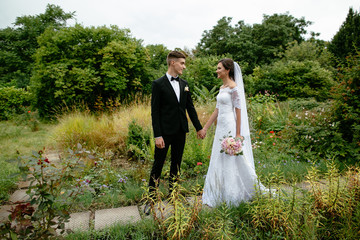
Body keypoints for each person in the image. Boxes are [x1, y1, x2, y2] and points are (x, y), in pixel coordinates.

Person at [146, 51, 206, 213]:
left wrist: (199, 127)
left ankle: (174, 196)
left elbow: (190, 108)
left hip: (181, 131)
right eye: (182, 63)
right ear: (172, 63)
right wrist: (157, 135)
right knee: (158, 165)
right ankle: (151, 199)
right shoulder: (158, 84)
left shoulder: (184, 84)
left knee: (176, 164)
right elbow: (155, 112)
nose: (184, 67)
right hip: (164, 133)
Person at [201, 58, 267, 207]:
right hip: (220, 128)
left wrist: (238, 134)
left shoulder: (234, 88)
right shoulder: (222, 88)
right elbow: (216, 110)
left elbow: (238, 111)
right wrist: (205, 127)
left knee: (232, 158)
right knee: (219, 158)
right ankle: (218, 191)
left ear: (227, 70)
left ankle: (234, 193)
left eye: (219, 68)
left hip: (230, 126)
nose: (216, 71)